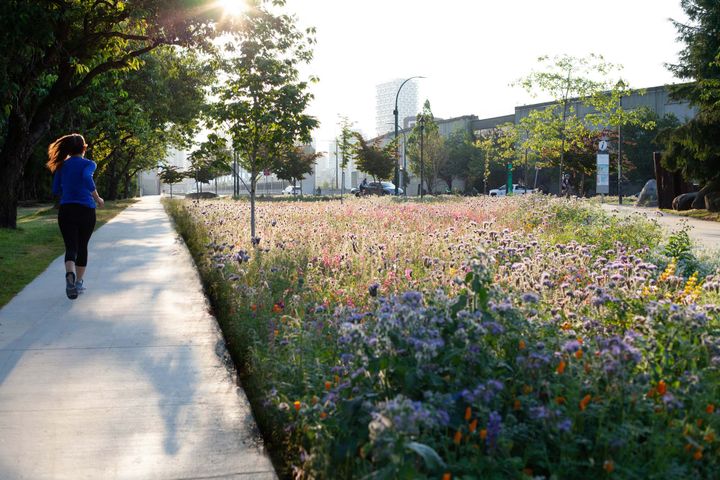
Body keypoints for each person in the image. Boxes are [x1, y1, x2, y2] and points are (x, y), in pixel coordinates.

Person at [47, 134, 104, 299]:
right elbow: (86, 177)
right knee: (82, 246)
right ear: (84, 148)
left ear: (68, 150)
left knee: (71, 247)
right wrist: (97, 198)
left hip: (66, 210)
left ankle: (69, 275)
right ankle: (78, 283)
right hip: (86, 210)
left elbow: (55, 189)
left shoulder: (61, 165)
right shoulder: (89, 164)